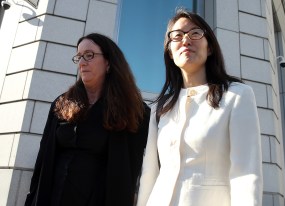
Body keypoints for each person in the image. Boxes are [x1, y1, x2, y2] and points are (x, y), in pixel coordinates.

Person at [136, 9, 263, 206]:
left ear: (210, 47)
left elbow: (246, 174)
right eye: (177, 36)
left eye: (195, 33)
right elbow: (149, 174)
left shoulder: (237, 96)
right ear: (169, 51)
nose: (186, 40)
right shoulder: (160, 108)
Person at [25, 33, 150, 206]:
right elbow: (42, 161)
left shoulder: (134, 111)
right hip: (53, 198)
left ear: (108, 62)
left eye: (89, 55)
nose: (82, 62)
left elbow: (137, 168)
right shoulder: (62, 103)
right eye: (79, 57)